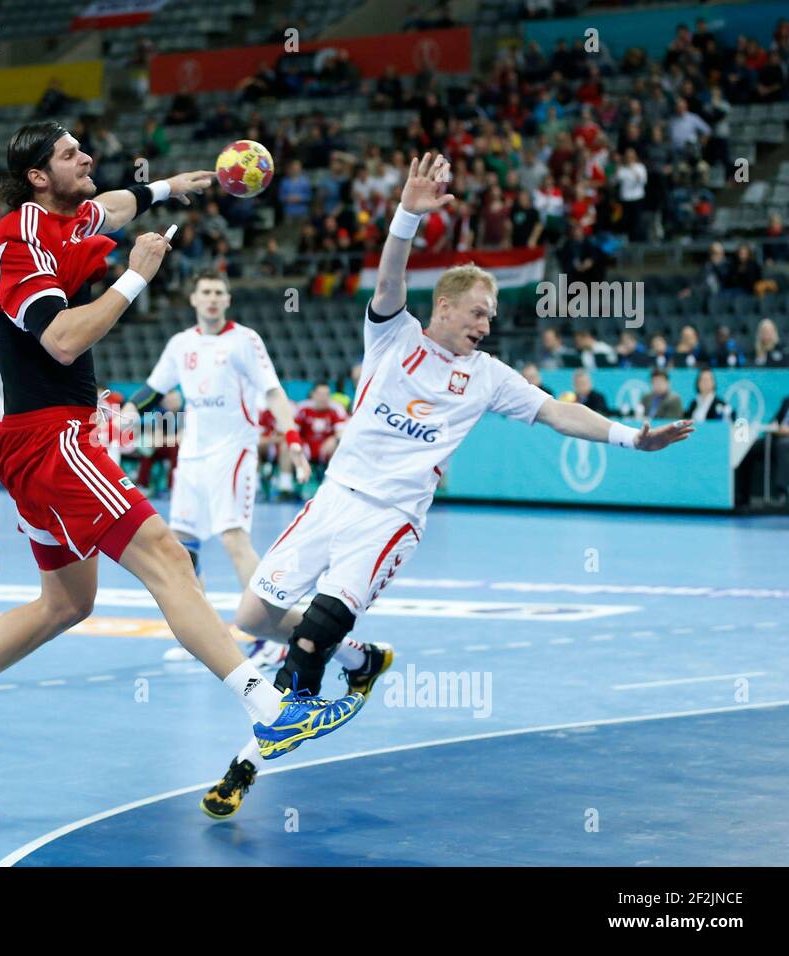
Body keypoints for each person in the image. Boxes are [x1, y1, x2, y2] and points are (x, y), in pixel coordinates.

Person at [201, 153, 694, 819]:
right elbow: (390, 272)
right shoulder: (392, 335)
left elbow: (557, 412)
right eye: (478, 313)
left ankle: (247, 763)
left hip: (391, 519)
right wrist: (408, 212)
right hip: (333, 497)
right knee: (253, 617)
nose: (486, 326)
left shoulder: (487, 374)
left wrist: (633, 438)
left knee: (309, 642)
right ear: (444, 306)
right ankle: (362, 661)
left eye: (491, 317)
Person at [0, 120, 364, 786]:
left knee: (66, 604)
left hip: (41, 441)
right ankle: (272, 707)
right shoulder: (21, 238)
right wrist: (135, 278)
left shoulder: (67, 216)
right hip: (52, 438)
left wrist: (172, 187)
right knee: (171, 558)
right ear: (36, 177)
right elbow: (60, 339)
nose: (85, 156)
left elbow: (108, 208)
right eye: (68, 154)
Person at [126, 270, 310, 668]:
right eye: (205, 292)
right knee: (183, 549)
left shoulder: (245, 340)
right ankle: (206, 637)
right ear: (193, 299)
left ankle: (272, 634)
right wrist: (124, 413)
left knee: (233, 541)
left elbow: (274, 392)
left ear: (227, 300)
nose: (212, 298)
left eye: (219, 293)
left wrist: (292, 439)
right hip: (192, 456)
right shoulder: (181, 343)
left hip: (234, 452)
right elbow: (154, 388)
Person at [295, 382, 348, 466]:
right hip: (306, 446)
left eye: (326, 394)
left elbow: (342, 433)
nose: (323, 398)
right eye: (320, 394)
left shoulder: (336, 408)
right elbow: (294, 431)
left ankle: (331, 477)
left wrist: (334, 439)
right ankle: (286, 478)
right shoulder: (302, 407)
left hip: (327, 446)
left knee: (338, 445)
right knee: (290, 446)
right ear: (312, 394)